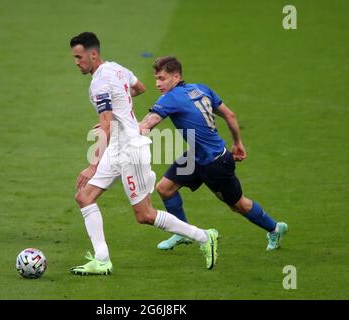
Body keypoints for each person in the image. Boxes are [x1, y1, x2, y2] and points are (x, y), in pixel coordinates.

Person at [69, 32, 218, 275]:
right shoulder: (117, 68)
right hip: (118, 146)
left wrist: (93, 164)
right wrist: (120, 111)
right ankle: (102, 259)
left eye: (78, 57)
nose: (76, 62)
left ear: (92, 54)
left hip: (130, 150)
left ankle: (203, 236)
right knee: (84, 197)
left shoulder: (98, 84)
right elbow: (138, 88)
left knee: (145, 215)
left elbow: (105, 125)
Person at [139, 56, 288, 252]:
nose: (158, 84)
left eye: (162, 78)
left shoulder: (170, 98)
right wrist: (237, 143)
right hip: (197, 155)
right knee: (165, 188)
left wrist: (120, 132)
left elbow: (148, 124)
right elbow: (229, 114)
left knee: (238, 205)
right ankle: (182, 232)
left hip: (215, 163)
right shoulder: (201, 89)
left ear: (176, 76)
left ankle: (275, 228)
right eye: (156, 79)